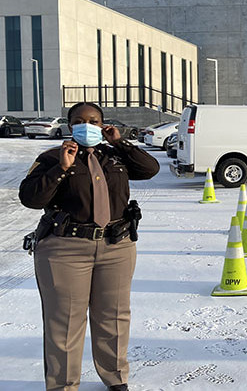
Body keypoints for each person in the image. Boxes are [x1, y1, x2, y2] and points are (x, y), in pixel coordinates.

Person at [19, 102, 160, 391]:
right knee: (65, 321)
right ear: (70, 126)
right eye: (80, 121)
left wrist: (120, 142)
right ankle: (63, 384)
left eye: (94, 120)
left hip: (116, 246)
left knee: (114, 315)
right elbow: (31, 199)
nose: (87, 125)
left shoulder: (114, 157)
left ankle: (116, 377)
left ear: (103, 125)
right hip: (65, 249)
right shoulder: (50, 158)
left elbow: (150, 169)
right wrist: (62, 167)